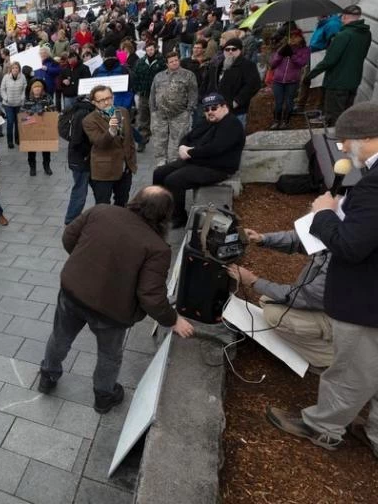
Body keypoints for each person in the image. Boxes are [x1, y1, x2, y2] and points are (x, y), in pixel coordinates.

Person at [266, 102, 378, 458]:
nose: (343, 148)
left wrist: (325, 215)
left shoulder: (374, 187)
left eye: (347, 140)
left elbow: (350, 245)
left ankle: (323, 427)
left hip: (366, 301)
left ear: (370, 137)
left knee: (350, 371)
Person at [39, 187, 195, 412]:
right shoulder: (157, 247)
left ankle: (48, 376)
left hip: (73, 294)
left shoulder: (100, 211)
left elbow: (68, 238)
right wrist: (173, 320)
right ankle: (104, 396)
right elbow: (150, 296)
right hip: (112, 312)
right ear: (164, 216)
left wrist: (85, 263)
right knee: (109, 355)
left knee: (60, 337)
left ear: (136, 200)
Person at [227, 227, 333, 369]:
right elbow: (303, 239)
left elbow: (302, 297)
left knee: (274, 315)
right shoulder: (342, 230)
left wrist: (253, 281)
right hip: (328, 304)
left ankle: (330, 360)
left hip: (341, 320)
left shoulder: (343, 263)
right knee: (267, 300)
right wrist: (262, 238)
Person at [153, 93, 246, 228]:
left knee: (174, 180)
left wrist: (189, 152)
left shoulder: (231, 124)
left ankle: (178, 217)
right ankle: (159, 209)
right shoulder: (208, 121)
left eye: (214, 108)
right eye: (207, 109)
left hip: (218, 167)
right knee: (159, 173)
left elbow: (215, 148)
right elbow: (188, 136)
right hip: (197, 160)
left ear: (224, 107)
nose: (210, 112)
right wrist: (182, 146)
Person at [305, 5, 373, 126]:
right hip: (354, 81)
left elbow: (329, 60)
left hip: (337, 82)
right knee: (346, 114)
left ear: (345, 16)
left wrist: (310, 75)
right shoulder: (366, 33)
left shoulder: (343, 35)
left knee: (334, 117)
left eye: (342, 17)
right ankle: (346, 141)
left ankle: (336, 142)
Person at [82, 85, 136, 207]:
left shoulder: (123, 111)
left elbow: (129, 138)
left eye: (109, 98)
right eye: (102, 100)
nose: (107, 102)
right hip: (104, 171)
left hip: (125, 168)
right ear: (94, 103)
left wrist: (131, 161)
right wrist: (111, 131)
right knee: (103, 207)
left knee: (122, 203)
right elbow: (99, 142)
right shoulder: (89, 120)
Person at [149, 51, 199, 168]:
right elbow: (152, 93)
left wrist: (189, 109)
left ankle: (174, 161)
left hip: (180, 114)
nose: (174, 63)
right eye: (171, 62)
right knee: (159, 138)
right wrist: (153, 110)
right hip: (160, 114)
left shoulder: (188, 75)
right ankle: (161, 160)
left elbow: (193, 92)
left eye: (176, 60)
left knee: (178, 138)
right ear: (167, 64)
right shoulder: (159, 76)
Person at [201, 38, 261, 126]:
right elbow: (207, 83)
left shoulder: (248, 65)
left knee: (235, 136)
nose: (230, 51)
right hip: (215, 109)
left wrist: (237, 102)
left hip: (236, 111)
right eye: (227, 49)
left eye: (234, 49)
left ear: (240, 50)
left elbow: (252, 85)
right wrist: (205, 99)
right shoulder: (217, 65)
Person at [63, 95, 96, 225]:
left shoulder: (82, 109)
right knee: (80, 191)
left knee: (97, 190)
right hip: (81, 159)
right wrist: (88, 153)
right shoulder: (83, 113)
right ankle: (71, 219)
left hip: (81, 158)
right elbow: (77, 140)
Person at [269, 29, 311, 129]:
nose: (293, 39)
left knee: (289, 102)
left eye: (295, 37)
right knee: (278, 102)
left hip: (292, 81)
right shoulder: (282, 48)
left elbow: (302, 63)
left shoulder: (304, 50)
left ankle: (286, 121)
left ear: (300, 38)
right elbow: (273, 64)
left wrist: (292, 55)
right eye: (291, 37)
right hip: (278, 80)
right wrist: (280, 54)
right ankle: (276, 121)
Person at [132, 41, 167, 148]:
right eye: (147, 50)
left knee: (159, 118)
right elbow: (135, 76)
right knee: (143, 118)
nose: (150, 52)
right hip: (144, 94)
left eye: (151, 49)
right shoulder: (141, 62)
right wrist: (137, 89)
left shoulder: (162, 62)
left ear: (155, 49)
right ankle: (143, 140)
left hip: (158, 95)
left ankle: (161, 141)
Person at [21, 80, 57, 176]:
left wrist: (45, 110)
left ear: (42, 89)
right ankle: (32, 168)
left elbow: (53, 109)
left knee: (46, 149)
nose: (37, 89)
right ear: (32, 89)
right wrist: (29, 113)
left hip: (44, 128)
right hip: (31, 128)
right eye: (35, 87)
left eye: (39, 87)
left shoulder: (47, 97)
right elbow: (22, 114)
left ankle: (47, 166)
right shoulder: (27, 99)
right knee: (31, 150)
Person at [0, 62, 27, 149]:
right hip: (8, 104)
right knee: (10, 122)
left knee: (18, 122)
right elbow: (2, 89)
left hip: (19, 103)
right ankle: (10, 141)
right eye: (13, 68)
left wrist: (22, 97)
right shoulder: (6, 77)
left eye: (17, 68)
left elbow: (24, 89)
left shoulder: (22, 77)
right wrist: (6, 97)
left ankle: (18, 139)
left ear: (19, 69)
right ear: (11, 69)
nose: (15, 69)